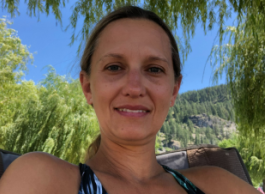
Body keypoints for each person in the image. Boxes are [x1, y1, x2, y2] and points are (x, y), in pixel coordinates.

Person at [0, 5, 259, 194]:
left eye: (154, 69)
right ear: (88, 86)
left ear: (174, 91)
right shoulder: (41, 180)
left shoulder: (218, 184)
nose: (134, 88)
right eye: (114, 67)